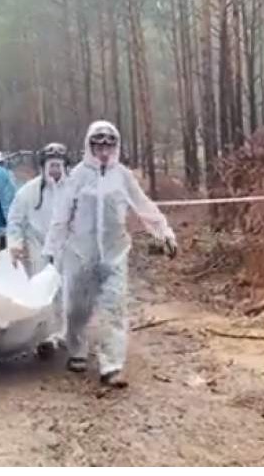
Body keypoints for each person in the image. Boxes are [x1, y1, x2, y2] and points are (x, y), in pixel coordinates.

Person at [43, 121, 178, 389]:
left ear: (115, 147)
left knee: (115, 309)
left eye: (109, 145)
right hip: (80, 253)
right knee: (76, 309)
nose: (104, 150)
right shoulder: (78, 176)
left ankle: (112, 365)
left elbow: (143, 206)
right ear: (90, 146)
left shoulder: (123, 176)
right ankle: (77, 351)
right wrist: (51, 248)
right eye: (98, 145)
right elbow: (61, 216)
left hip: (115, 254)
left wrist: (165, 232)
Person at [7, 142, 71, 358]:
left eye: (58, 165)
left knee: (66, 291)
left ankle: (65, 332)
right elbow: (15, 220)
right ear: (43, 166)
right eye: (51, 165)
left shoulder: (73, 189)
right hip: (39, 247)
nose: (55, 170)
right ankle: (44, 336)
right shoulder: (28, 192)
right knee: (42, 291)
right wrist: (15, 245)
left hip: (66, 248)